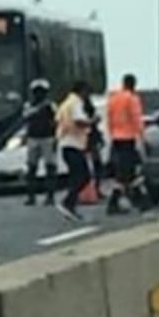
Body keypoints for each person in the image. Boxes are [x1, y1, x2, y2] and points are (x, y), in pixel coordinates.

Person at [105, 74, 149, 214]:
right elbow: (137, 119)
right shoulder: (132, 99)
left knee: (126, 172)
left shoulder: (114, 99)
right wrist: (143, 137)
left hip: (116, 138)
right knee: (127, 172)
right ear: (134, 84)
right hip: (128, 138)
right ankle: (118, 202)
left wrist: (111, 134)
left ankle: (139, 200)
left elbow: (109, 118)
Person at [56, 80, 93, 222]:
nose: (87, 95)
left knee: (76, 176)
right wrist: (91, 121)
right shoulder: (76, 103)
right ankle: (67, 202)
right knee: (84, 176)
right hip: (74, 143)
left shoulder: (65, 103)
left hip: (66, 143)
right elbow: (79, 121)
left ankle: (70, 206)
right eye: (87, 92)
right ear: (82, 90)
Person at [22, 79, 58, 206]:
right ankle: (31, 196)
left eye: (41, 91)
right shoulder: (29, 105)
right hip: (33, 138)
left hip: (47, 138)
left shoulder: (50, 106)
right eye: (36, 91)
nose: (38, 94)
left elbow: (56, 120)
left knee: (50, 168)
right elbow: (26, 117)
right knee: (31, 168)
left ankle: (50, 196)